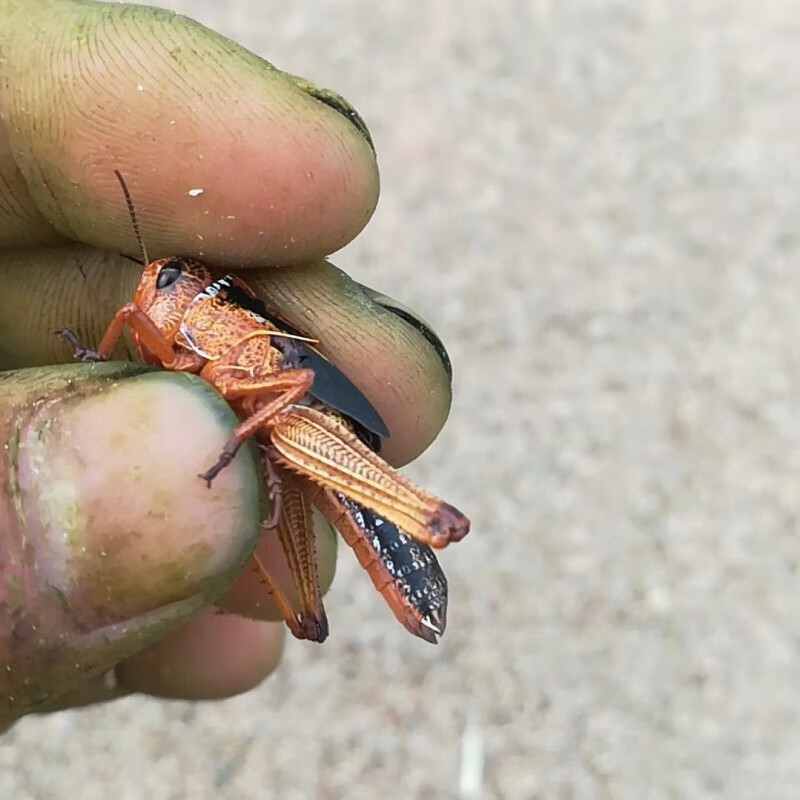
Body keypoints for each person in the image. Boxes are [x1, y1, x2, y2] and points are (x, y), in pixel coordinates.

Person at [0, 0, 451, 729]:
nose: (151, 298)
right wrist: (104, 358)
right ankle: (296, 597)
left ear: (206, 294)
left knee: (318, 415)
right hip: (275, 426)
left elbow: (297, 380)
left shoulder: (227, 329)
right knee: (304, 614)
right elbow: (128, 317)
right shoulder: (156, 319)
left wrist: (241, 442)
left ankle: (419, 518)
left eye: (170, 284)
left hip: (302, 422)